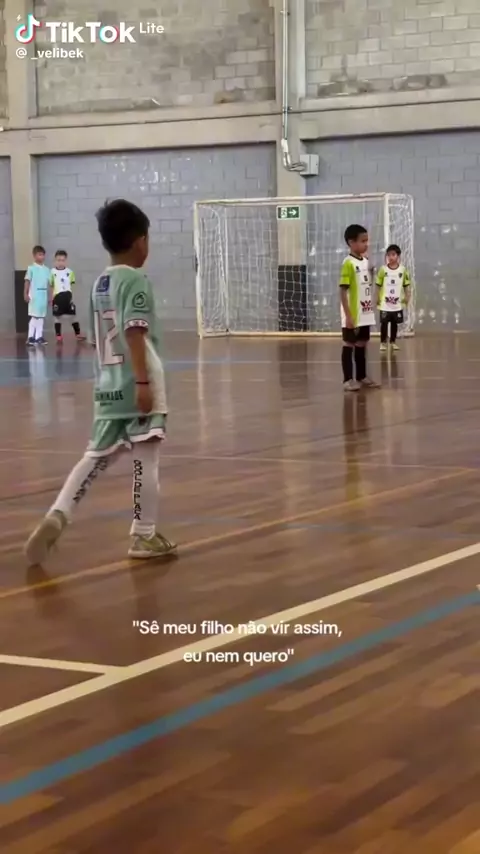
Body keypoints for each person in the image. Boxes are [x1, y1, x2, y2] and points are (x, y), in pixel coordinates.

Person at [25, 199, 176, 565]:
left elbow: (98, 338)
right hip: (137, 383)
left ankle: (58, 513)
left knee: (94, 458)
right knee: (145, 459)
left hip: (108, 386)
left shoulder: (99, 283)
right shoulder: (135, 280)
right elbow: (135, 332)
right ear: (140, 241)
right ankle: (144, 534)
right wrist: (143, 384)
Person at [339, 224, 380, 392]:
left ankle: (361, 376)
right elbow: (343, 291)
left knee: (362, 343)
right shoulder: (348, 263)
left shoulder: (366, 262)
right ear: (351, 242)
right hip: (353, 313)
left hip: (365, 311)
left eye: (367, 241)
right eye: (363, 241)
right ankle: (347, 379)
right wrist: (348, 316)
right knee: (349, 343)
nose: (366, 244)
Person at [376, 244, 411, 351]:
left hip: (397, 303)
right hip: (385, 303)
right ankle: (383, 343)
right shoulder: (383, 270)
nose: (391, 257)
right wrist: (377, 297)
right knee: (384, 324)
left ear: (398, 256)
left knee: (394, 324)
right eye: (389, 255)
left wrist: (407, 296)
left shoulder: (403, 270)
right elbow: (378, 285)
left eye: (393, 254)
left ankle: (393, 342)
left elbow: (406, 285)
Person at [50, 249, 85, 343]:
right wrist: (51, 298)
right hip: (57, 297)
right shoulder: (52, 272)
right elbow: (51, 286)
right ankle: (58, 335)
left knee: (73, 316)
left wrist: (73, 297)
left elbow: (72, 286)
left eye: (62, 260)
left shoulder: (70, 272)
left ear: (66, 261)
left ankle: (78, 334)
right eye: (58, 260)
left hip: (67, 296)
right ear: (55, 261)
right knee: (57, 317)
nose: (60, 262)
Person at [24, 245, 50, 346]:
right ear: (34, 256)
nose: (41, 257)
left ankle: (39, 336)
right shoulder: (31, 268)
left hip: (43, 295)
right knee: (35, 316)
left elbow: (50, 283)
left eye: (43, 255)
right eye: (39, 254)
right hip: (34, 295)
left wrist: (50, 296)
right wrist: (25, 293)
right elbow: (27, 281)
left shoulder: (47, 269)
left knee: (41, 316)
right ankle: (30, 337)